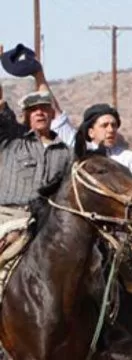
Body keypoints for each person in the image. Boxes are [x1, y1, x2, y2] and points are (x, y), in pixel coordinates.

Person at [0, 46, 72, 228]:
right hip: (8, 217)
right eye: (33, 110)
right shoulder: (13, 139)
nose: (39, 113)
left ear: (52, 114)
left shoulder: (66, 151)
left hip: (48, 222)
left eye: (44, 108)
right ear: (25, 115)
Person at [56, 103, 132, 184]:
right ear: (91, 132)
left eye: (114, 125)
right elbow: (58, 118)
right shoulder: (80, 153)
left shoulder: (130, 159)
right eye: (104, 125)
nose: (111, 130)